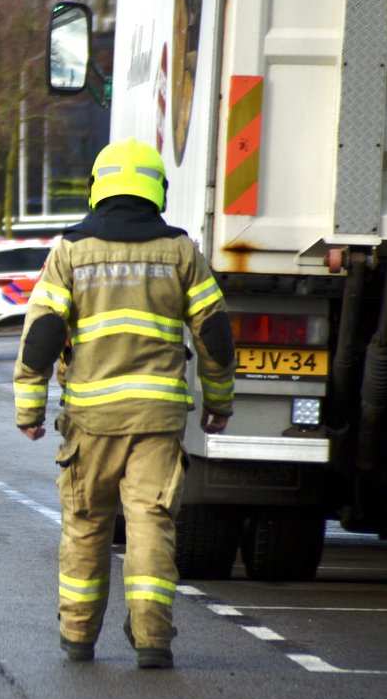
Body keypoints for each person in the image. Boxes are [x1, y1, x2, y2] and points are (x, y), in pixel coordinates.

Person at [13, 139, 235, 670]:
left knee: (87, 523)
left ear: (99, 187)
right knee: (150, 523)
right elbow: (214, 333)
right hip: (157, 419)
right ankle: (153, 638)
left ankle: (78, 635)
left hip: (91, 419)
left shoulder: (71, 250)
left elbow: (41, 334)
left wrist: (29, 408)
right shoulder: (180, 251)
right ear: (156, 189)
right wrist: (219, 400)